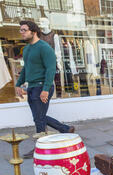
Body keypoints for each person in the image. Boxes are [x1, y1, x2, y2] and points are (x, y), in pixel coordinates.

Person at [15, 20, 74, 158]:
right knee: (38, 117)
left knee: (39, 118)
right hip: (32, 87)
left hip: (42, 86)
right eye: (21, 30)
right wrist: (18, 84)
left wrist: (46, 89)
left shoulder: (44, 47)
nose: (21, 32)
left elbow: (50, 69)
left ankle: (40, 148)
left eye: (24, 30)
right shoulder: (27, 49)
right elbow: (26, 69)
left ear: (33, 31)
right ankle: (65, 129)